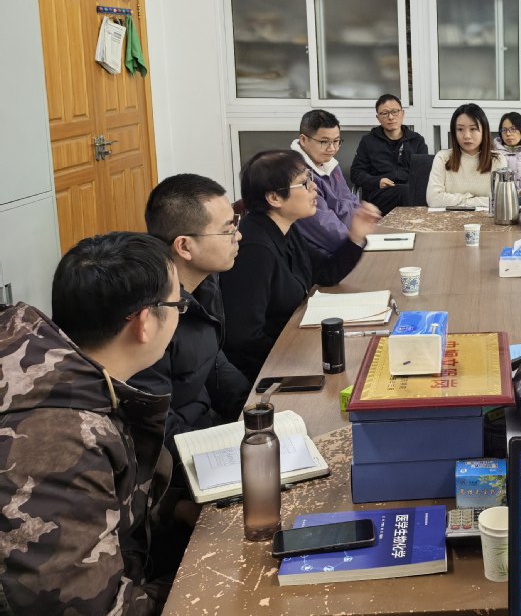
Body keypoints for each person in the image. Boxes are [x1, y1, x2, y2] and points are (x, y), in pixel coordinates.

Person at [0, 232, 183, 614]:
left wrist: (181, 510)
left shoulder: (76, 383)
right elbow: (93, 608)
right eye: (178, 303)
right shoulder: (58, 442)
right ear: (145, 322)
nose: (181, 313)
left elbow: (116, 501)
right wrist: (200, 579)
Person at [219, 150, 378, 381]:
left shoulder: (286, 228)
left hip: (295, 347)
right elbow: (244, 338)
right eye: (304, 183)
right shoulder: (255, 248)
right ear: (274, 198)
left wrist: (355, 236)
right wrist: (304, 356)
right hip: (268, 371)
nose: (314, 189)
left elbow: (325, 273)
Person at [132, 174, 251, 452]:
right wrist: (228, 451)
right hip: (184, 454)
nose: (238, 236)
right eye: (228, 230)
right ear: (185, 246)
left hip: (209, 429)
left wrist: (255, 408)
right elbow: (159, 431)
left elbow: (212, 361)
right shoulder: (150, 315)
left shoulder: (205, 281)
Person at [291, 109, 380, 254]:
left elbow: (349, 200)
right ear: (303, 140)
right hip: (324, 254)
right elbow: (324, 227)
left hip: (350, 242)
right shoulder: (296, 175)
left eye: (336, 141)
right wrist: (358, 238)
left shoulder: (330, 164)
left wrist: (364, 216)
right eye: (324, 142)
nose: (332, 148)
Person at [350, 94, 429, 214]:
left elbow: (423, 173)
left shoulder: (417, 141)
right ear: (378, 118)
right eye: (385, 113)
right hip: (379, 195)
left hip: (410, 193)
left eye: (395, 112)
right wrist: (377, 181)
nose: (391, 117)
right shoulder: (368, 141)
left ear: (402, 113)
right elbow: (356, 173)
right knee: (405, 192)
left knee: (412, 192)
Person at [426, 103, 506, 208]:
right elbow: (434, 200)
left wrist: (461, 201)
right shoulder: (442, 158)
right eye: (460, 129)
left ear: (484, 131)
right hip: (449, 217)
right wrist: (473, 199)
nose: (467, 136)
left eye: (473, 129)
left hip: (485, 217)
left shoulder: (497, 159)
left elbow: (500, 201)